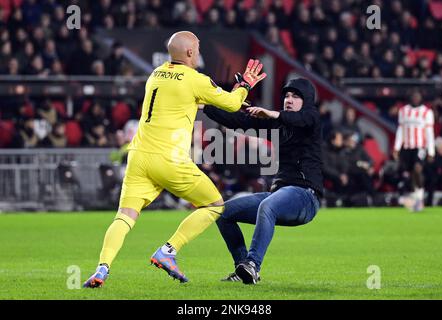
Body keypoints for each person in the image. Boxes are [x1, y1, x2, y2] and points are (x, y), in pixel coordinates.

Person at [83, 31, 266, 287]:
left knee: (124, 217)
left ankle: (102, 269)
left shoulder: (155, 74)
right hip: (168, 158)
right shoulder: (195, 79)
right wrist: (245, 84)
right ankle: (168, 251)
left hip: (138, 157)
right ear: (190, 53)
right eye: (198, 48)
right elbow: (234, 104)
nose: (200, 53)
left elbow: (185, 101)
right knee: (215, 205)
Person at [203, 77, 323, 284]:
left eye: (296, 96)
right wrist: (206, 105)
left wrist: (273, 114)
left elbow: (301, 119)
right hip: (280, 195)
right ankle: (243, 269)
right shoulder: (277, 124)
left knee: (268, 205)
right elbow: (238, 122)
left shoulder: (312, 119)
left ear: (307, 101)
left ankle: (253, 264)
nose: (289, 99)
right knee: (222, 213)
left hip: (305, 197)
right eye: (287, 95)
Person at [394, 90, 435, 212]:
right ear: (410, 97)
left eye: (418, 96)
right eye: (413, 96)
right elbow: (400, 130)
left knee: (418, 169)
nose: (416, 98)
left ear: (421, 98)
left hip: (420, 146)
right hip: (407, 147)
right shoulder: (403, 111)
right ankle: (415, 199)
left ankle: (420, 197)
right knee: (409, 174)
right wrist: (396, 148)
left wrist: (431, 151)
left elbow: (429, 132)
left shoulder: (427, 112)